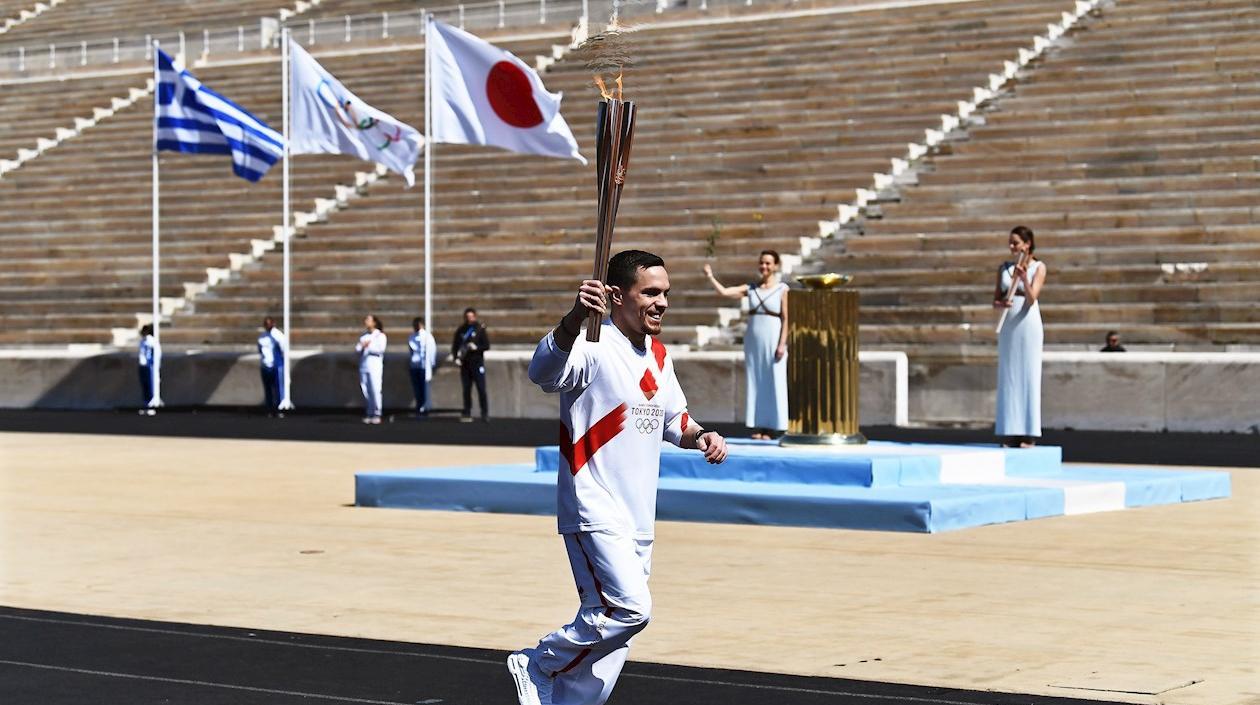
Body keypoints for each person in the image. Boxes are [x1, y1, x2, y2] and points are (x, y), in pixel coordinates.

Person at [508, 249, 729, 705]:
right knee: (629, 610)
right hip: (594, 506)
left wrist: (703, 435)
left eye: (666, 293)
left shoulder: (659, 355)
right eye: (650, 292)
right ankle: (540, 661)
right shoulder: (591, 345)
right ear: (616, 295)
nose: (662, 302)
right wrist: (573, 320)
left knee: (610, 648)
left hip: (638, 518)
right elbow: (542, 373)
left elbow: (674, 422)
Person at [703, 250, 789, 439]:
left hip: (773, 339)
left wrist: (782, 343)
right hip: (753, 340)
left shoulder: (782, 289)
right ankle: (758, 426)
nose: (764, 266)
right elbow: (724, 292)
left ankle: (773, 427)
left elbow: (786, 318)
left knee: (773, 380)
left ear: (775, 266)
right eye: (762, 263)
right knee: (756, 380)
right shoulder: (750, 288)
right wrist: (710, 276)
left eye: (768, 263)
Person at [993, 225, 1047, 448]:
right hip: (1009, 324)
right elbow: (996, 298)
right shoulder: (1004, 268)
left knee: (1028, 375)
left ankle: (1029, 433)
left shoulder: (1039, 267)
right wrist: (1000, 303)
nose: (1011, 246)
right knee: (1009, 375)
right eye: (1010, 242)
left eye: (1015, 243)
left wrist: (1024, 278)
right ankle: (1010, 431)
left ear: (1027, 244)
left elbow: (1032, 298)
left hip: (1028, 323)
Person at [451, 308, 490, 422]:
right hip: (465, 364)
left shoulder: (479, 329)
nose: (469, 318)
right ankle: (467, 411)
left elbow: (486, 345)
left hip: (477, 363)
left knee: (481, 389)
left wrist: (477, 348)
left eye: (471, 316)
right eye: (467, 316)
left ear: (474, 316)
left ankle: (484, 412)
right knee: (466, 389)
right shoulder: (461, 330)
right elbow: (455, 346)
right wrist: (456, 358)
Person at [355, 314, 387, 424]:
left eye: (368, 320)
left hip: (375, 365)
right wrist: (363, 346)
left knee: (375, 389)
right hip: (364, 364)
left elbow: (381, 349)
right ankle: (370, 411)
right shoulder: (364, 336)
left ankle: (377, 413)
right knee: (365, 389)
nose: (366, 321)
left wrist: (369, 346)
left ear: (374, 322)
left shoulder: (380, 335)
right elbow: (357, 348)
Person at [408, 317, 437, 416]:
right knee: (417, 387)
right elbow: (412, 351)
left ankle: (424, 406)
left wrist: (431, 364)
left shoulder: (427, 337)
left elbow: (432, 351)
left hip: (424, 366)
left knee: (423, 387)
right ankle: (419, 404)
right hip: (414, 365)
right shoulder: (412, 337)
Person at [257, 316, 287, 415]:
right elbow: (260, 350)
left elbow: (283, 349)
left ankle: (278, 408)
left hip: (276, 365)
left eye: (269, 323)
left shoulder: (278, 335)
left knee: (278, 388)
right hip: (266, 366)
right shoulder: (262, 337)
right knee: (268, 388)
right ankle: (269, 408)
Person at [136, 323, 160, 416]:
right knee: (145, 386)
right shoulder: (142, 341)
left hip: (150, 366)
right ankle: (146, 404)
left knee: (151, 386)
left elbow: (156, 354)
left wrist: (154, 365)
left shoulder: (151, 341)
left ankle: (151, 405)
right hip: (143, 366)